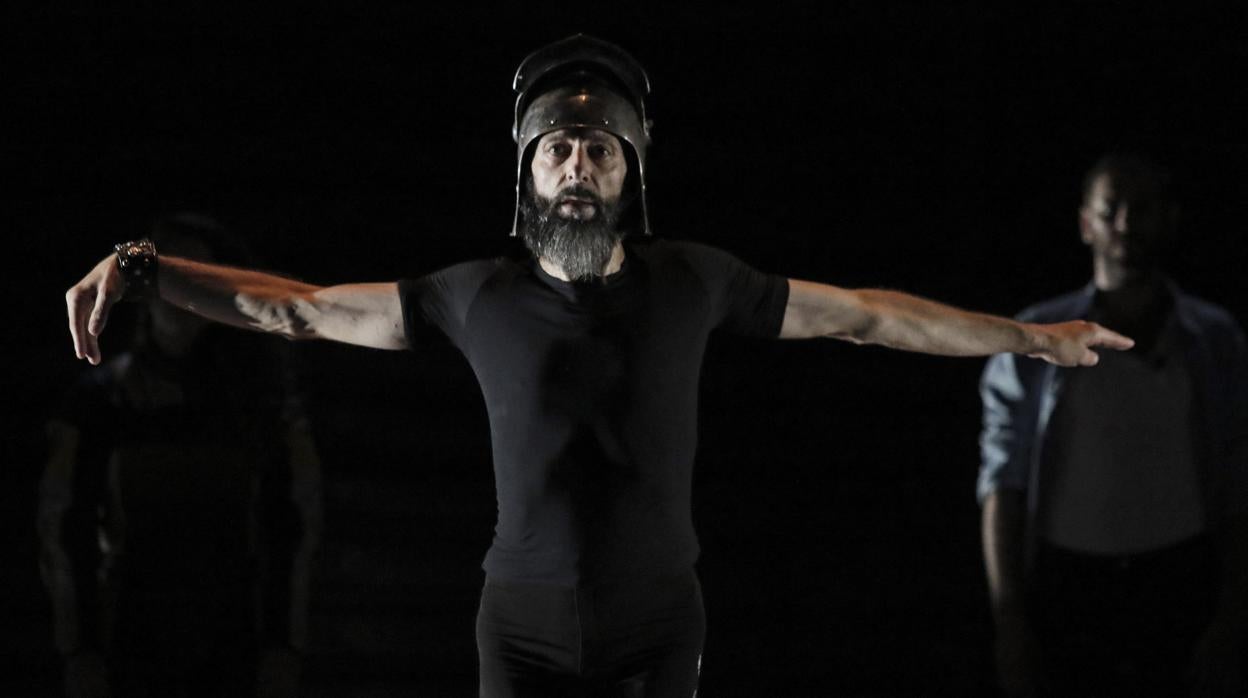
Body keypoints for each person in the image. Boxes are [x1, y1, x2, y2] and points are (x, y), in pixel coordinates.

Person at [65, 36, 1130, 698]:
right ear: (528, 174)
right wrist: (146, 267)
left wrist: (1034, 338)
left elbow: (869, 318)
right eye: (558, 151)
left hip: (658, 620)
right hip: (518, 627)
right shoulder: (473, 294)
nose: (578, 165)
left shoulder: (695, 280)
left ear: (630, 175)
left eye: (600, 151)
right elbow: (294, 310)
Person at [978, 154, 1248, 698]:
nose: (1126, 223)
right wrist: (1009, 620)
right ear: (1086, 223)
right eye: (1111, 210)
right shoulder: (1036, 339)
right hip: (1069, 589)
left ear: (1168, 218)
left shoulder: (1215, 339)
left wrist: (1234, 613)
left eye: (1142, 208)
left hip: (1181, 583)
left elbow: (1239, 477)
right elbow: (1003, 482)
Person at [42, 214, 322, 698]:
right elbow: (66, 525)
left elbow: (292, 525)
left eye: (198, 276)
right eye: (172, 274)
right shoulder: (103, 400)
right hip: (131, 634)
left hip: (232, 636)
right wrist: (79, 649)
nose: (184, 292)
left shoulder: (260, 402)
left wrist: (284, 646)